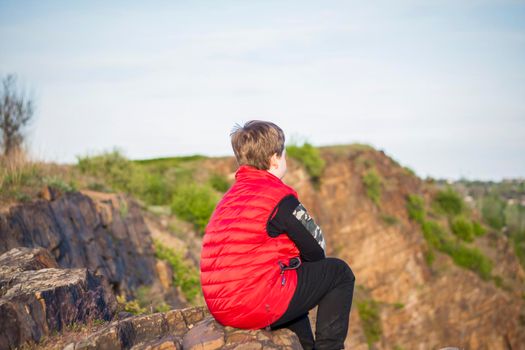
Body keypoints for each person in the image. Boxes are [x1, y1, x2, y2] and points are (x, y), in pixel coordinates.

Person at [200, 120, 355, 349]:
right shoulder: (278, 197)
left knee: (290, 280)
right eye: (283, 155)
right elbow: (317, 248)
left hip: (222, 306)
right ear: (274, 159)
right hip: (252, 302)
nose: (285, 160)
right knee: (339, 272)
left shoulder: (228, 199)